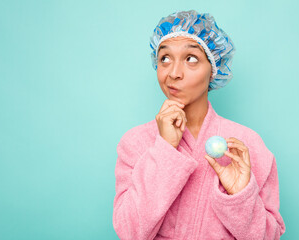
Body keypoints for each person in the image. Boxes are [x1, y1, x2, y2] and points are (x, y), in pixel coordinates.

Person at [112, 10, 286, 240]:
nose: (173, 73)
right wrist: (164, 149)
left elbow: (268, 237)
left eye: (190, 59)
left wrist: (241, 196)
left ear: (213, 68)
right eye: (165, 58)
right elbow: (130, 232)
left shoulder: (246, 144)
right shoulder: (135, 143)